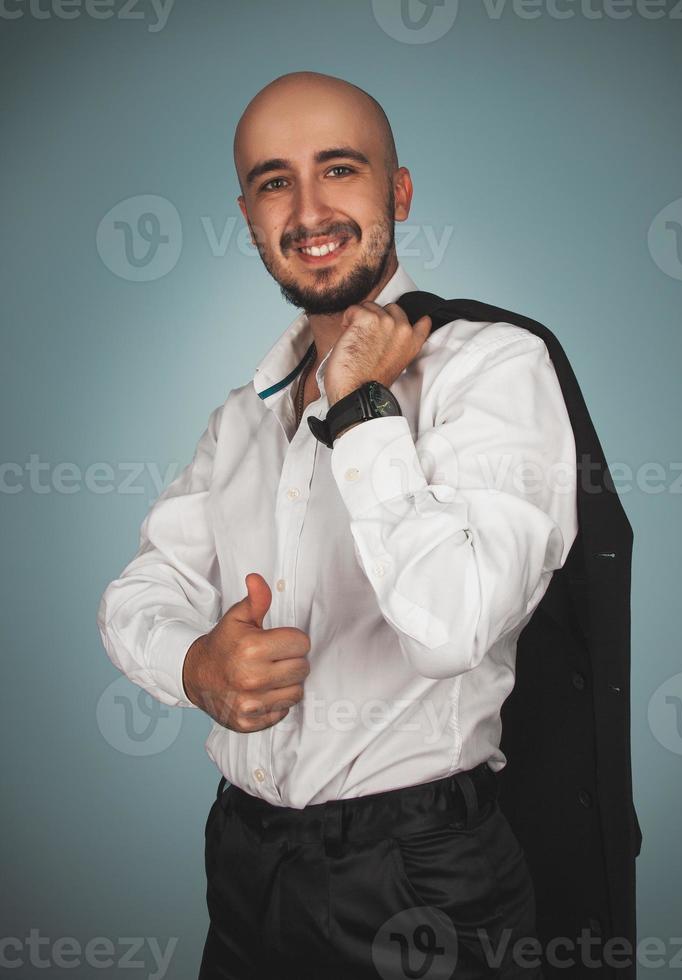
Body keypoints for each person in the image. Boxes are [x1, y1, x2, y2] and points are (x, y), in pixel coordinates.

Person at [97, 70, 578, 979]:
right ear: (247, 215)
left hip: (420, 878)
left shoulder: (495, 370)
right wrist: (193, 665)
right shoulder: (242, 415)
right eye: (276, 181)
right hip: (243, 858)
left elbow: (453, 627)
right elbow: (140, 591)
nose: (310, 208)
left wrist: (359, 406)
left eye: (341, 169)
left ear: (397, 190)